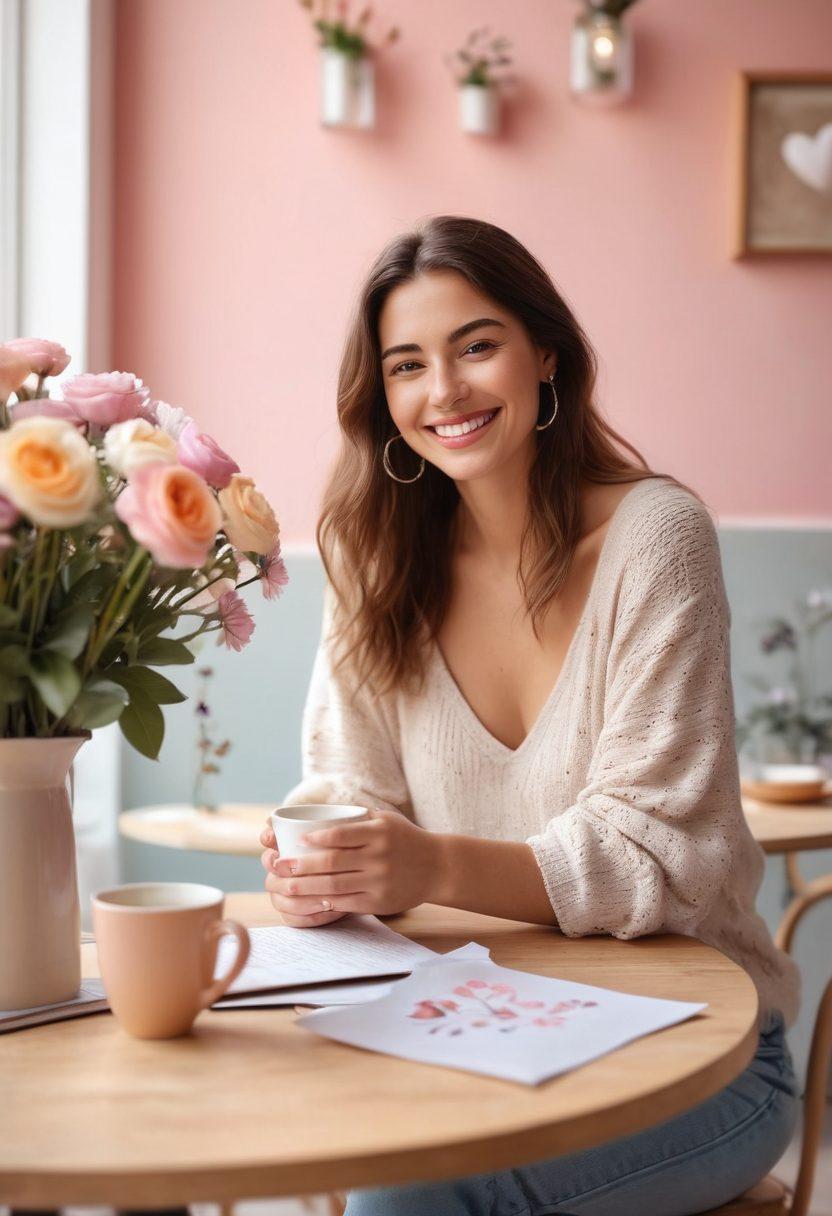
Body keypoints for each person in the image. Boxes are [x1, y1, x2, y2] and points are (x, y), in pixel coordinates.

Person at [259, 216, 801, 1215]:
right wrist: (324, 857)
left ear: (543, 351)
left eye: (476, 345)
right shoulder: (375, 559)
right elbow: (348, 783)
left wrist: (425, 862)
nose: (445, 391)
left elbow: (655, 855)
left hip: (699, 1051)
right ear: (383, 397)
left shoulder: (655, 539)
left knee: (410, 1199)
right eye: (407, 364)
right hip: (479, 1030)